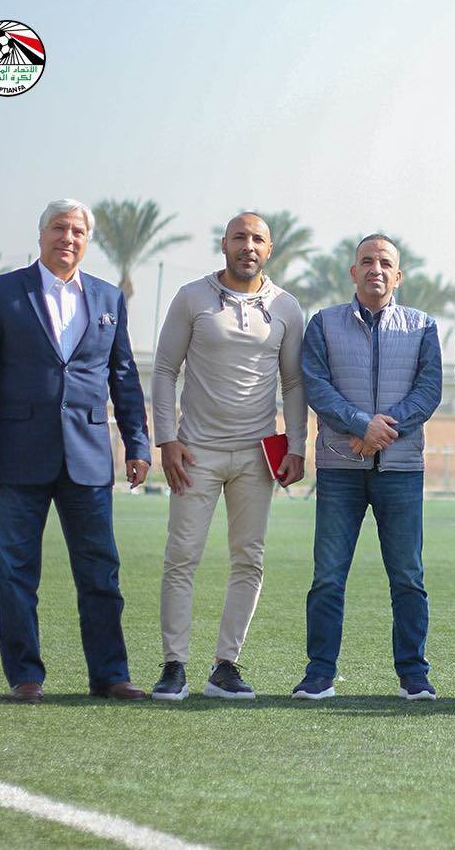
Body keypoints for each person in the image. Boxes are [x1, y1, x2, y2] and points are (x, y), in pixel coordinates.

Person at [0, 198, 152, 702]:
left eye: (78, 231)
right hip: (16, 454)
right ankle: (25, 676)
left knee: (100, 572)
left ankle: (110, 675)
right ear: (41, 234)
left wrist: (137, 443)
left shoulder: (109, 298)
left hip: (88, 456)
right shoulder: (2, 292)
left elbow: (124, 377)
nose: (68, 238)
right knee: (16, 573)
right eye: (59, 229)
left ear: (87, 241)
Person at [149, 213, 307, 701]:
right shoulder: (191, 297)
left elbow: (293, 383)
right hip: (195, 454)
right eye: (239, 237)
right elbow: (164, 370)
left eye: (258, 239)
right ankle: (174, 665)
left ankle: (226, 666)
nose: (248, 246)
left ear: (270, 249)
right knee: (182, 557)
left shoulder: (286, 307)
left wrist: (296, 446)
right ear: (224, 244)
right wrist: (167, 439)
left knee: (249, 559)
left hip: (257, 457)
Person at [292, 234, 442, 701]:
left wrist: (381, 431)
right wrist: (361, 425)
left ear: (398, 276)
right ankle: (319, 673)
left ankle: (413, 674)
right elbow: (316, 386)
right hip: (340, 469)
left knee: (408, 576)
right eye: (367, 261)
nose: (376, 269)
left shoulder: (422, 326)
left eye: (385, 263)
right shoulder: (323, 324)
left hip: (401, 470)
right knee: (328, 576)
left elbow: (428, 390)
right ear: (353, 271)